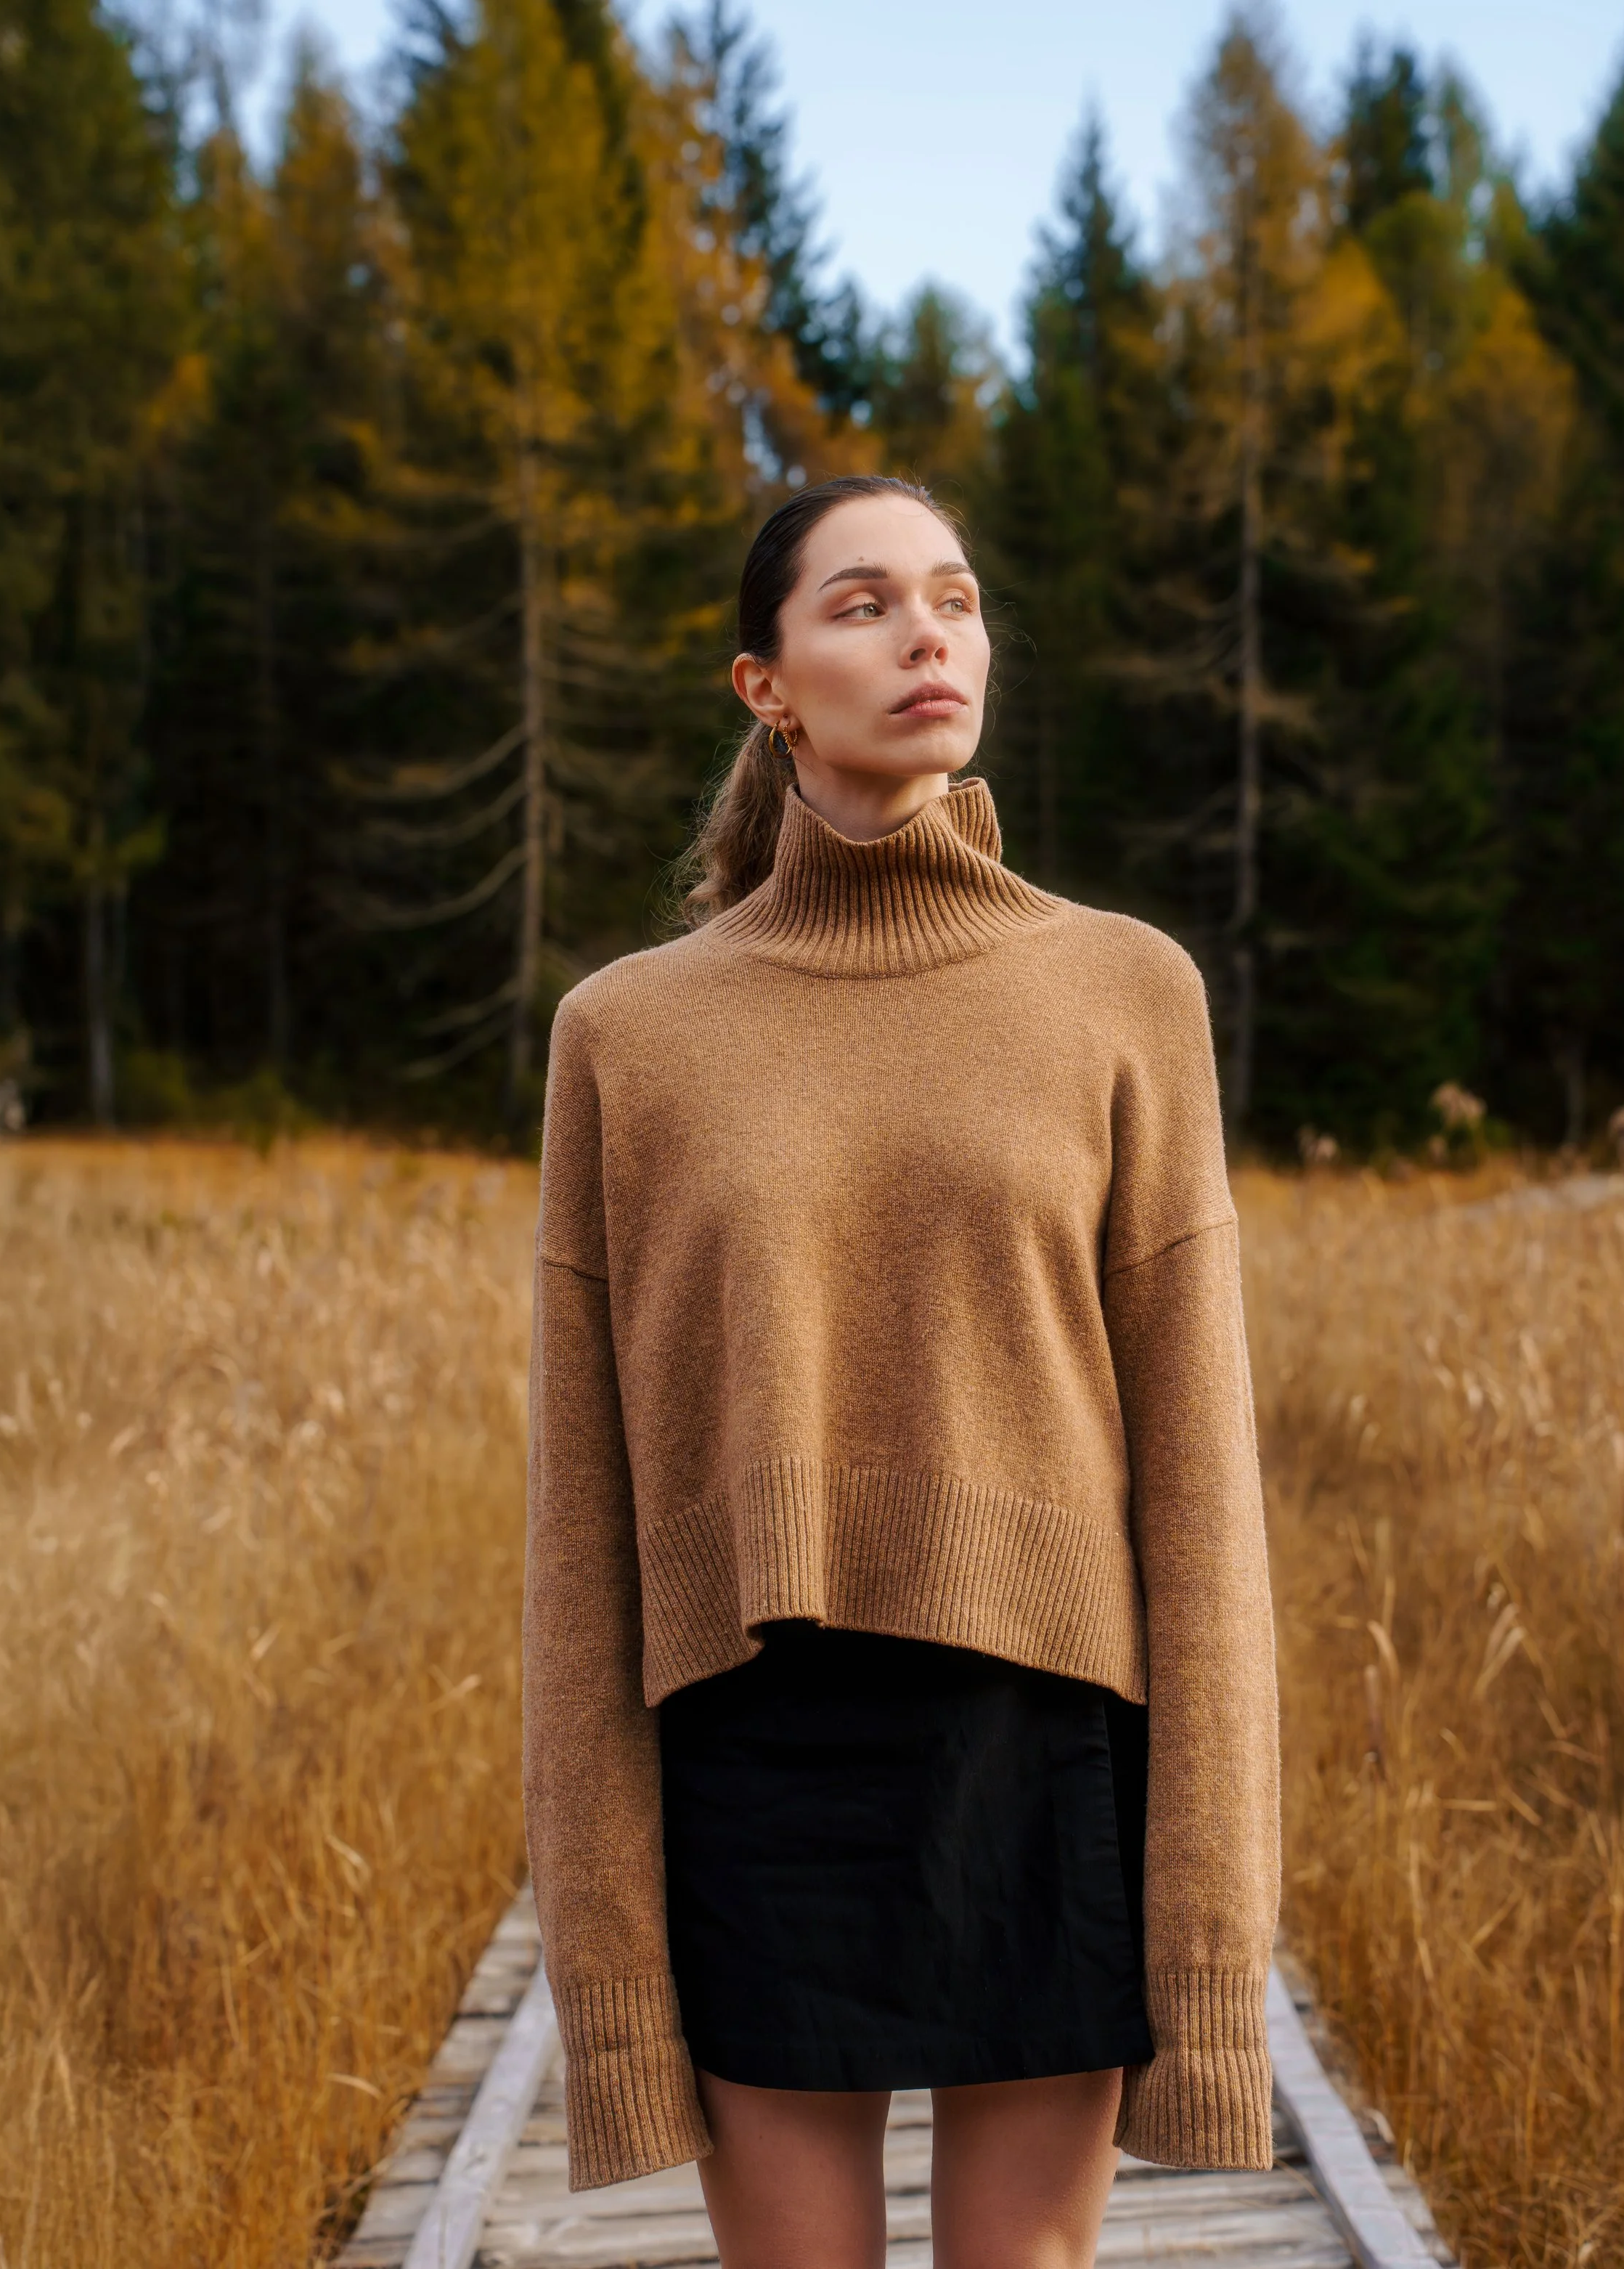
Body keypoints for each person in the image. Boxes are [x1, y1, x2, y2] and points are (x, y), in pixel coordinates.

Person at [523, 473, 1279, 2269]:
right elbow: (583, 1528)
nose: (924, 631)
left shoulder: (1121, 990)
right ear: (763, 683)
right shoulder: (627, 1033)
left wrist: (1209, 1905)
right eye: (859, 604)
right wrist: (607, 1954)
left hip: (1043, 1741)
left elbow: (1198, 1483)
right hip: (748, 1753)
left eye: (949, 596)